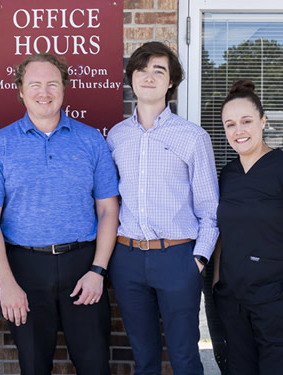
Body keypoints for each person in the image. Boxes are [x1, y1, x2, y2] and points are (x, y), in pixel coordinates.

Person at [0, 53, 119, 375]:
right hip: (24, 270)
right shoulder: (0, 145)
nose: (44, 92)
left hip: (83, 268)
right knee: (34, 366)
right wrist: (6, 282)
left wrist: (98, 270)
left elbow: (109, 210)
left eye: (52, 84)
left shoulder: (92, 140)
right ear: (21, 91)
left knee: (95, 365)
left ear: (64, 89)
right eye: (35, 84)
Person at [106, 41, 219, 375]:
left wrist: (198, 260)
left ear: (171, 81)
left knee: (184, 356)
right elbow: (110, 201)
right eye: (142, 69)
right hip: (127, 259)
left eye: (159, 70)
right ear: (132, 78)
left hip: (177, 258)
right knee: (143, 357)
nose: (149, 76)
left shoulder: (192, 137)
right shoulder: (116, 137)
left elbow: (209, 207)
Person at [213, 79, 283, 375]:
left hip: (275, 298)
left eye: (246, 121)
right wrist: (217, 282)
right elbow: (221, 233)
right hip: (233, 297)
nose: (238, 131)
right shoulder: (227, 174)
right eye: (230, 125)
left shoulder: (279, 166)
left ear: (263, 121)